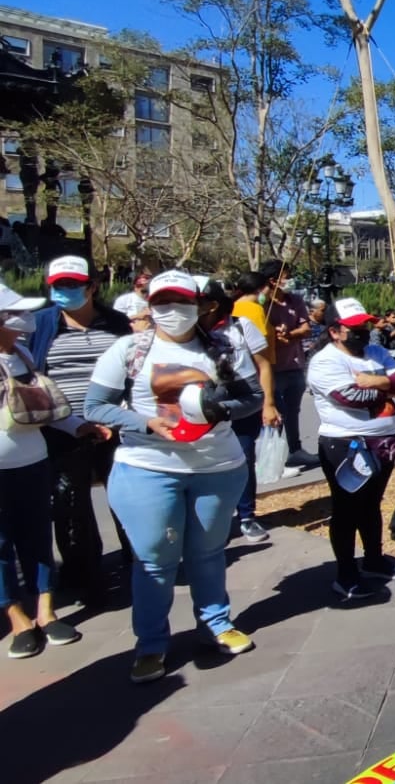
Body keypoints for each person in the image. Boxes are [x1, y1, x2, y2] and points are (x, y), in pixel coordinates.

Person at [83, 270, 264, 683]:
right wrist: (143, 423)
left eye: (181, 302)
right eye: (162, 302)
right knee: (155, 561)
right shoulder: (128, 349)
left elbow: (252, 397)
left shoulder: (226, 346)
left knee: (208, 553)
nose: (172, 311)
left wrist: (220, 410)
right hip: (148, 469)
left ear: (200, 305)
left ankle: (217, 624)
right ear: (149, 305)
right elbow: (95, 406)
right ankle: (150, 644)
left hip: (218, 468)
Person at [0, 282, 103, 658]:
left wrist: (77, 425)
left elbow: (45, 405)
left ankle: (46, 610)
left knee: (38, 535)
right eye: (13, 315)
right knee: (1, 545)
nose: (24, 320)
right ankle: (17, 619)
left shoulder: (24, 355)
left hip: (32, 460)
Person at [27, 256, 135, 600]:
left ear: (92, 287)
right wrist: (71, 424)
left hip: (115, 428)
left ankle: (140, 565)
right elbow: (32, 379)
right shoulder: (41, 324)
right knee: (69, 503)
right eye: (59, 286)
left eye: (73, 285)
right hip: (61, 430)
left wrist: (120, 415)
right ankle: (83, 574)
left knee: (126, 498)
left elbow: (132, 375)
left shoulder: (117, 324)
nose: (65, 292)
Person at [307, 297, 395, 599]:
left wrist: (374, 380)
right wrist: (385, 386)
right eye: (354, 328)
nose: (362, 331)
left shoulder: (375, 351)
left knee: (371, 504)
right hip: (344, 444)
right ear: (335, 331)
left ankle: (374, 559)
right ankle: (346, 574)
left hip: (382, 441)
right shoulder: (325, 361)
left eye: (364, 325)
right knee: (347, 509)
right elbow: (349, 397)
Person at [202, 280, 275, 545]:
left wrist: (268, 403)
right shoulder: (188, 333)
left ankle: (246, 516)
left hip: (242, 402)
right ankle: (214, 519)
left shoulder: (242, 327)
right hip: (201, 407)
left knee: (243, 458)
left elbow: (264, 365)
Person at [259, 260, 316, 468]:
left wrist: (290, 334)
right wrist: (275, 333)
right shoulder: (262, 302)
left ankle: (295, 450)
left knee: (293, 411)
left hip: (294, 365)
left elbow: (306, 328)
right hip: (271, 369)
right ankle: (271, 458)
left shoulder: (295, 300)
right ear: (273, 280)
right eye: (286, 276)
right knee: (274, 414)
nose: (289, 280)